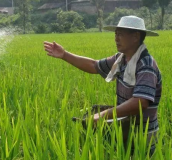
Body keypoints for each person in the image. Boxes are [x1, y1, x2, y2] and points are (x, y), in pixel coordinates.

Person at [44, 16, 161, 156]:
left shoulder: (145, 65)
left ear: (135, 37)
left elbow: (140, 102)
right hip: (125, 130)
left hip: (142, 138)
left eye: (121, 34)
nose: (116, 38)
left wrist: (102, 116)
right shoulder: (121, 58)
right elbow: (94, 66)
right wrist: (64, 55)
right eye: (115, 34)